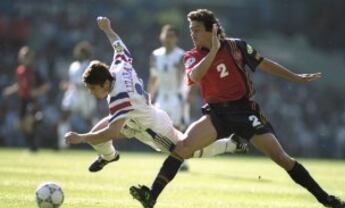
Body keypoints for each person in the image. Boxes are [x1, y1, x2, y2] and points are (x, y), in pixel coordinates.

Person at [129, 9, 345, 208]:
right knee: (183, 147)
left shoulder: (237, 46)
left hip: (244, 111)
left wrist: (295, 77)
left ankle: (323, 197)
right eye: (191, 30)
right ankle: (152, 197)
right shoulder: (191, 56)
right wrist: (213, 50)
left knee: (281, 158)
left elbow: (265, 64)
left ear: (211, 29)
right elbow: (195, 77)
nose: (192, 34)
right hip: (217, 114)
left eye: (196, 30)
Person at [64, 16, 248, 173]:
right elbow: (118, 46)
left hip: (153, 129)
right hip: (137, 118)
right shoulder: (119, 66)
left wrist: (81, 138)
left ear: (105, 83)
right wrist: (107, 29)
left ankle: (230, 144)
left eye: (93, 89)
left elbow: (112, 132)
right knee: (96, 134)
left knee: (187, 150)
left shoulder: (121, 98)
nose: (91, 93)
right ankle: (110, 156)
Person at [147, 24, 191, 171]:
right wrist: (149, 96)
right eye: (166, 35)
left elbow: (187, 77)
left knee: (177, 128)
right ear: (161, 36)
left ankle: (181, 160)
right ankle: (174, 156)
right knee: (160, 128)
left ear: (176, 38)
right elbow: (154, 78)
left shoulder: (181, 56)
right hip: (162, 97)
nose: (168, 38)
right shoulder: (155, 55)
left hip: (177, 96)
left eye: (172, 36)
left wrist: (188, 94)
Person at [3, 46, 49, 151]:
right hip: (22, 100)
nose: (24, 58)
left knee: (28, 121)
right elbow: (19, 85)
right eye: (23, 56)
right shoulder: (20, 71)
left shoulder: (34, 71)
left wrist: (36, 92)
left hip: (31, 100)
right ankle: (32, 143)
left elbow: (46, 85)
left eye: (26, 56)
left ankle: (34, 144)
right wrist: (10, 91)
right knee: (22, 124)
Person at [57, 41, 97, 149]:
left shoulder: (91, 65)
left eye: (82, 52)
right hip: (73, 94)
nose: (79, 54)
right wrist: (67, 84)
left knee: (89, 119)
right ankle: (62, 145)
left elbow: (92, 82)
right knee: (64, 116)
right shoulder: (73, 65)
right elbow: (72, 81)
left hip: (85, 95)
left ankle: (99, 142)